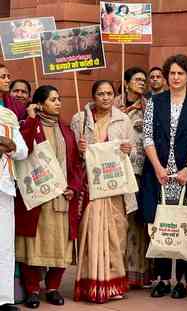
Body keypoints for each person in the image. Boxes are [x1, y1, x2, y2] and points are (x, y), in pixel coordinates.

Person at [140, 54, 187, 299]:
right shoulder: (154, 102)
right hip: (159, 174)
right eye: (172, 73)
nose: (175, 77)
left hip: (186, 177)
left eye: (180, 73)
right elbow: (147, 136)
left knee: (183, 224)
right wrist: (158, 167)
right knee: (159, 223)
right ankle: (161, 279)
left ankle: (181, 280)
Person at [14, 85, 82, 309]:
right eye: (53, 99)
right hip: (37, 200)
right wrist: (32, 118)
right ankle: (33, 290)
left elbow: (74, 165)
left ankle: (53, 288)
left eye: (59, 98)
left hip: (62, 198)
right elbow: (22, 150)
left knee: (60, 245)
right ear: (40, 104)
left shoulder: (66, 130)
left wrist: (73, 186)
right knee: (33, 246)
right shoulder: (28, 125)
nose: (59, 103)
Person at [71, 80, 136, 304]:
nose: (106, 97)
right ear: (93, 96)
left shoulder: (123, 119)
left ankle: (114, 283)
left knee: (115, 236)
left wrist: (129, 149)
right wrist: (79, 150)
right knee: (90, 236)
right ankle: (91, 284)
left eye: (109, 93)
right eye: (101, 94)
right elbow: (73, 158)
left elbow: (132, 151)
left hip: (115, 189)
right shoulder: (80, 120)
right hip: (90, 188)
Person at [114, 67, 153, 288]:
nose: (142, 83)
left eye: (143, 80)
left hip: (140, 172)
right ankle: (117, 271)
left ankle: (138, 273)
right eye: (137, 79)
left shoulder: (148, 108)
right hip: (116, 171)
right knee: (120, 223)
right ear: (126, 82)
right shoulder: (113, 104)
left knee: (138, 224)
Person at [0, 107, 28, 311]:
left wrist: (11, 146)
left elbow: (23, 151)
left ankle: (4, 299)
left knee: (5, 245)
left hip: (4, 186)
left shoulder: (7, 115)